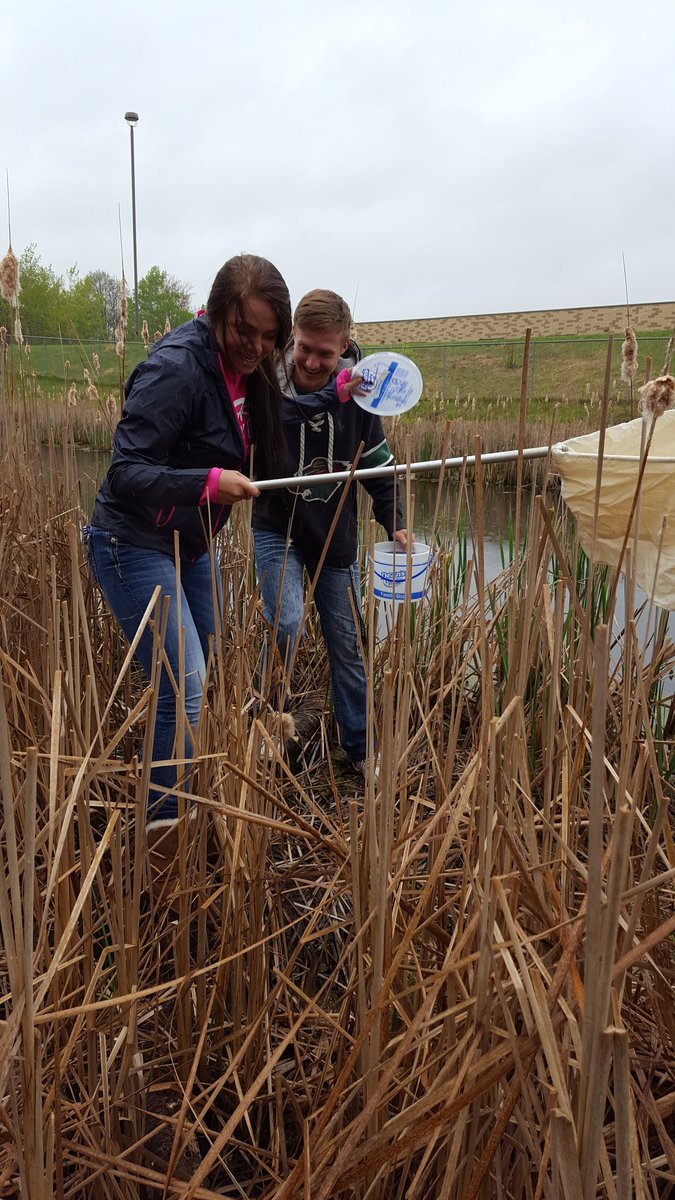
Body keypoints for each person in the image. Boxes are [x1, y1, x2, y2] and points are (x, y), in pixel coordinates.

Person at [84, 254, 344, 862]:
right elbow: (125, 473)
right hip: (132, 543)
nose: (254, 347)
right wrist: (207, 482)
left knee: (206, 670)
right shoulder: (177, 369)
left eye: (267, 336)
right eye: (242, 331)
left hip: (189, 543)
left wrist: (341, 391)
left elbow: (284, 416)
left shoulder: (249, 373)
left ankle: (190, 800)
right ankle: (163, 842)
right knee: (185, 683)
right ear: (217, 312)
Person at [252, 288, 408, 775]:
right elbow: (270, 421)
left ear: (345, 346)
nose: (313, 361)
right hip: (278, 528)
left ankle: (359, 748)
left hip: (335, 541)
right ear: (291, 338)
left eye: (325, 352)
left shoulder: (361, 400)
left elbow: (380, 469)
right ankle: (265, 729)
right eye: (304, 348)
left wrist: (396, 522)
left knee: (348, 643)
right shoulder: (268, 384)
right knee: (288, 621)